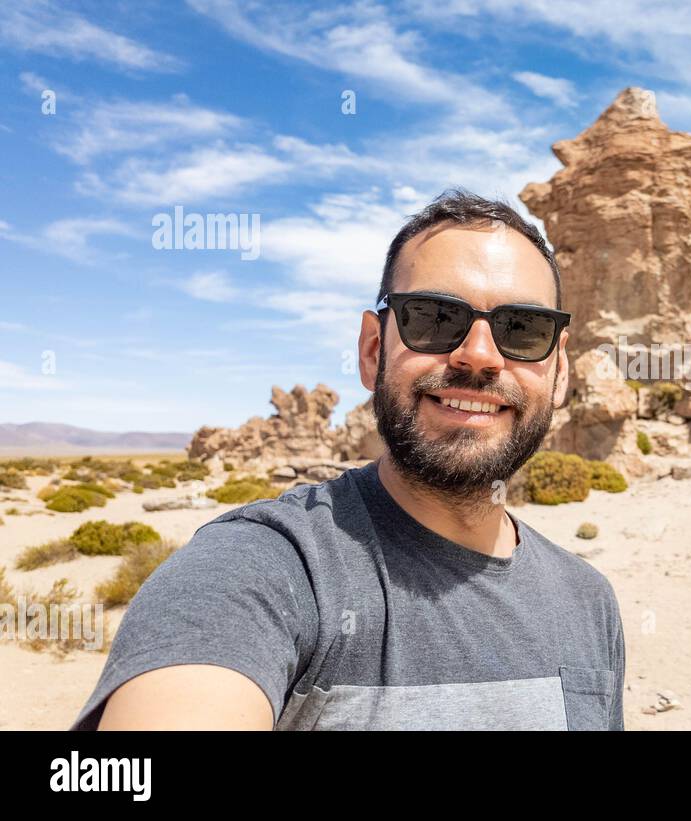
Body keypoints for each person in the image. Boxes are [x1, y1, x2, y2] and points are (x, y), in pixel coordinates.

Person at [71, 188, 625, 730]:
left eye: (522, 330)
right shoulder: (263, 569)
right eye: (432, 318)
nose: (478, 356)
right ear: (371, 350)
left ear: (560, 374)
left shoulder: (589, 602)